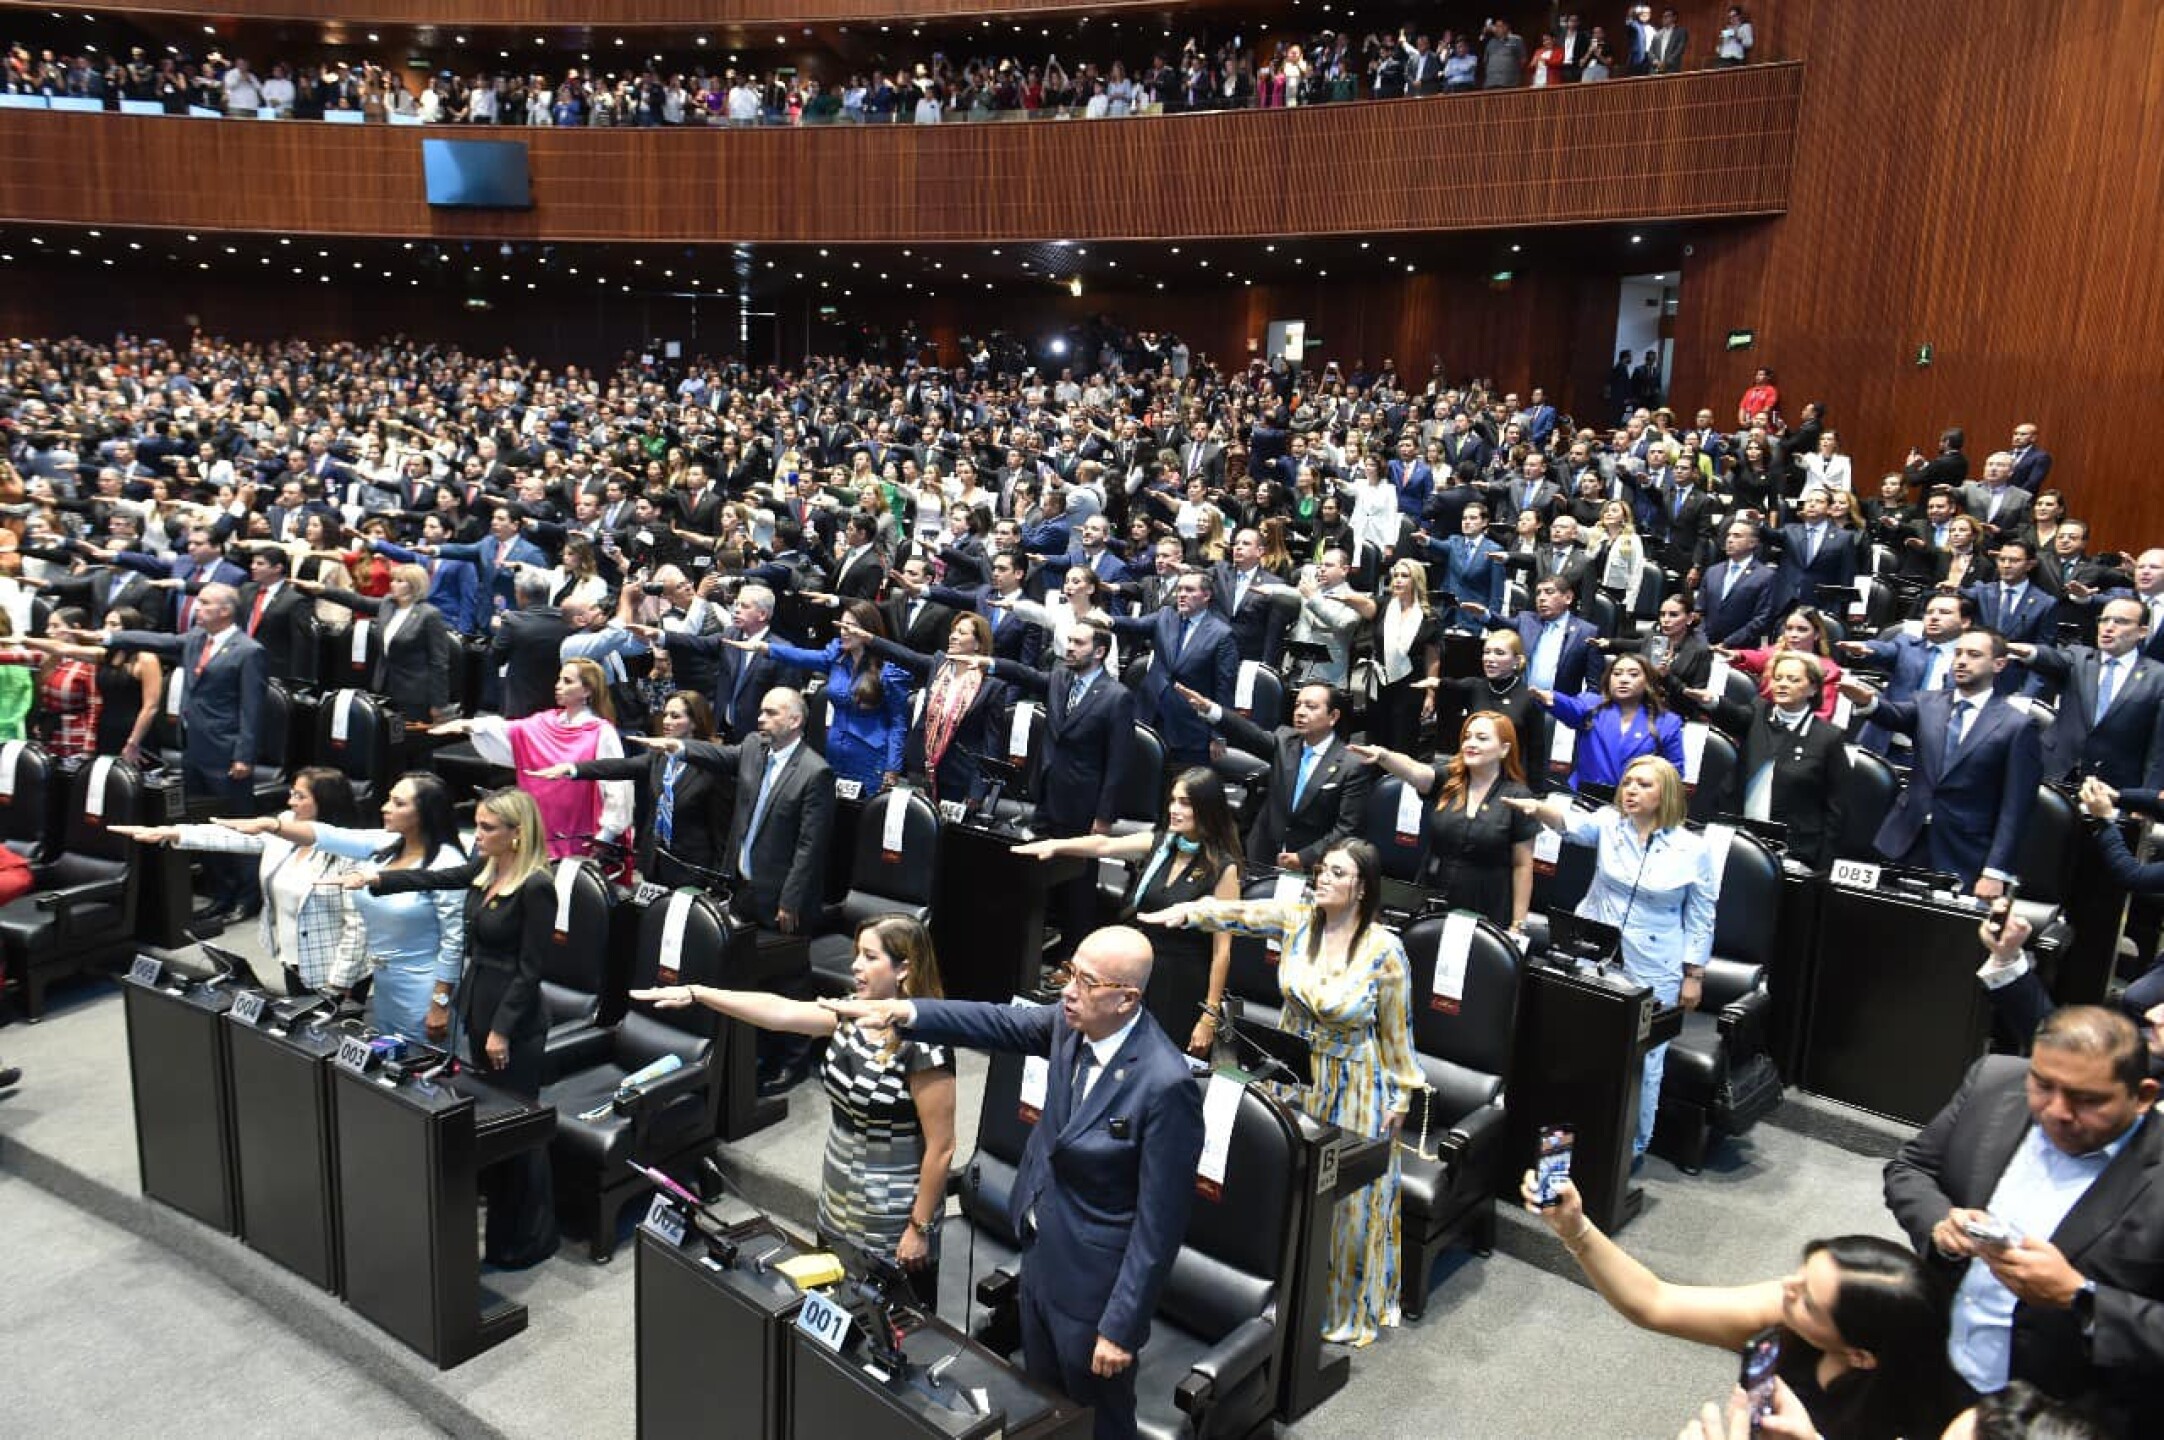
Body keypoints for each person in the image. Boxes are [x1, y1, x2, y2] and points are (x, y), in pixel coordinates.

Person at [824, 926, 1205, 1440]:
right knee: (1044, 1405)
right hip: (1040, 1256)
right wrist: (905, 1011)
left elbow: (1160, 1225)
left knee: (1098, 1419)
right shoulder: (1068, 1025)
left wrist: (1122, 1326)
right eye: (1069, 972)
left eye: (1087, 982)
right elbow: (994, 1020)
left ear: (1126, 998)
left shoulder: (1165, 1084)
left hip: (1095, 1286)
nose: (1068, 990)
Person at [1142, 840, 1422, 1345]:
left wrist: (1401, 1094)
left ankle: (1339, 1309)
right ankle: (1283, 1298)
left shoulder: (1385, 949)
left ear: (1362, 887)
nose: (1324, 878)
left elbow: (1397, 1028)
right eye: (1322, 870)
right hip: (1293, 1072)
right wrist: (1188, 912)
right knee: (1285, 1185)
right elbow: (1241, 913)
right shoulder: (1298, 920)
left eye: (1337, 873)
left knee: (1348, 1203)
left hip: (1354, 1082)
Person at [632, 915, 956, 1306]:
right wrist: (700, 993)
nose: (856, 965)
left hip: (893, 1215)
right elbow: (779, 1012)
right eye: (857, 954)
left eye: (870, 957)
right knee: (838, 1313)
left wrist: (918, 1228)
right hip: (838, 1199)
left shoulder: (926, 1042)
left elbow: (942, 1147)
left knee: (894, 1326)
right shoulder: (852, 1011)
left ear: (904, 968)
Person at [1883, 1006, 2164, 1432]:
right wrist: (1939, 1224)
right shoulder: (1994, 1082)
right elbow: (1912, 1168)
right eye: (2043, 1085)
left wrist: (2080, 1298)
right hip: (1937, 1369)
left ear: (2142, 1096)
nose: (2056, 1111)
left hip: (2059, 1416)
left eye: (2087, 1099)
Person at [1525, 1177, 1963, 1440]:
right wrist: (1576, 1230)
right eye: (1801, 1273)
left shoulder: (1927, 1423)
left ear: (1861, 1356)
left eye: (1808, 1301)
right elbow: (1655, 1302)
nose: (1786, 1288)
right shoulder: (1785, 1309)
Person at [346, 787, 558, 1269]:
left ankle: (531, 1237)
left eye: (486, 828)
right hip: (478, 1008)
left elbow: (531, 970)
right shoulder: (485, 868)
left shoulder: (536, 886)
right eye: (477, 824)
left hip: (514, 1022)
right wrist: (375, 878)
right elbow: (434, 876)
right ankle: (500, 1219)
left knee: (519, 1126)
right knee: (492, 1121)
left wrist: (501, 1030)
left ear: (517, 833)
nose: (476, 835)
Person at [1506, 757, 1715, 1154]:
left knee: (1645, 1060)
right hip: (1594, 951)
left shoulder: (1694, 849)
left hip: (1655, 961)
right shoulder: (1608, 823)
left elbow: (1702, 915)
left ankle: (1631, 1148)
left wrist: (1694, 974)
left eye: (1644, 784)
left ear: (1667, 794)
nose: (1631, 790)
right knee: (1578, 1045)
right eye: (1628, 782)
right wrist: (1536, 807)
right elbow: (1568, 824)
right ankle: (1571, 1139)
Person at [1014, 768, 1243, 1054]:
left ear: (1206, 807)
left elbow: (1222, 951)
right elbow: (1104, 844)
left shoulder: (1223, 868)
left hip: (1180, 981)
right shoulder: (1161, 844)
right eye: (1172, 801)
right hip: (1139, 972)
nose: (1174, 809)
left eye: (1184, 803)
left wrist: (1209, 1016)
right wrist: (1055, 845)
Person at [247, 772, 466, 1040]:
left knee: (422, 1058)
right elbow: (327, 835)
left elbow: (454, 941)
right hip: (384, 982)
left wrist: (440, 1002)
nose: (385, 807)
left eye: (398, 803)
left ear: (425, 813)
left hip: (424, 985)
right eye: (389, 799)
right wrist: (272, 825)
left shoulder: (447, 862)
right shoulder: (387, 844)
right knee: (387, 1054)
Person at [112, 768, 367, 997]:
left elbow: (358, 925)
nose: (291, 802)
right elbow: (232, 836)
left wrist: (342, 979)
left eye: (300, 797)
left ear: (325, 801)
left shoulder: (351, 851)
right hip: (293, 959)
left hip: (336, 967)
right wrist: (171, 833)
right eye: (292, 793)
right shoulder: (285, 825)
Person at [96, 582, 264, 924]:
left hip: (228, 751)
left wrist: (244, 755)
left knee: (235, 825)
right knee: (203, 825)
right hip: (194, 748)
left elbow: (253, 709)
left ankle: (247, 897)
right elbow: (156, 640)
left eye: (204, 603)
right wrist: (110, 637)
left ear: (225, 610)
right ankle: (221, 893)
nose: (197, 608)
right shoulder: (196, 640)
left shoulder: (249, 651)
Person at [1839, 629, 2039, 896]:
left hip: (1965, 852)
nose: (1962, 661)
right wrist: (1867, 701)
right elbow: (1894, 714)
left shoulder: (2017, 725)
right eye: (1958, 653)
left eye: (1974, 655)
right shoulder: (1927, 703)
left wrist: (1995, 870)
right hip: (1902, 841)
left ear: (1999, 664)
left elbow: (2016, 808)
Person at [655, 686, 834, 933]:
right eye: (761, 712)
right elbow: (720, 755)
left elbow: (810, 847)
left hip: (778, 900)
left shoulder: (816, 772)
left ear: (795, 721)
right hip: (739, 888)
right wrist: (678, 747)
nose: (761, 718)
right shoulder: (753, 747)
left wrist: (791, 900)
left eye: (771, 713)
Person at [1352, 712, 1538, 934]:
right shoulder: (1449, 780)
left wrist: (1517, 924)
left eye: (1482, 738)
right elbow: (1414, 770)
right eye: (1467, 737)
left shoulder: (1518, 796)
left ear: (1504, 749)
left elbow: (1522, 865)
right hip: (1435, 891)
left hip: (1487, 901)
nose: (1471, 743)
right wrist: (1384, 756)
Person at [433, 659, 634, 862]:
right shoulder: (544, 722)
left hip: (581, 830)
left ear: (587, 690)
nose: (558, 686)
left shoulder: (600, 732)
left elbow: (618, 786)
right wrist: (469, 725)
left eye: (567, 681)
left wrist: (606, 835)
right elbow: (508, 731)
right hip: (540, 824)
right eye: (559, 679)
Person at [528, 691, 730, 888]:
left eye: (675, 716)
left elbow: (722, 830)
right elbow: (619, 767)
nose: (666, 721)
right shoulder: (660, 757)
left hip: (692, 869)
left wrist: (716, 880)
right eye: (666, 714)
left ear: (695, 722)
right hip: (654, 864)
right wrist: (571, 769)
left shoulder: (712, 767)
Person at [1179, 680, 1372, 875]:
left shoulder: (1352, 765)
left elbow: (1348, 828)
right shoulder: (1284, 740)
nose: (1300, 712)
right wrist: (1210, 709)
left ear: (1333, 716)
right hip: (1262, 854)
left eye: (1311, 707)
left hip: (1313, 866)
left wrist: (1304, 857)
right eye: (1298, 705)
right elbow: (1248, 733)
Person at [1686, 651, 1851, 868]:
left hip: (1796, 850)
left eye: (1793, 679)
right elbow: (1734, 715)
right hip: (1738, 834)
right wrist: (1712, 702)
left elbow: (1836, 807)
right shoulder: (1758, 711)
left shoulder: (1828, 737)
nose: (1782, 684)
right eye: (1778, 678)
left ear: (1813, 688)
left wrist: (1823, 866)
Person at [731, 598, 910, 791]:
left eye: (850, 627)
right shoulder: (836, 658)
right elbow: (802, 656)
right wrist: (765, 647)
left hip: (870, 758)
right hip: (834, 752)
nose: (844, 632)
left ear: (868, 631)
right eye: (841, 626)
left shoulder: (889, 672)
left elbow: (898, 723)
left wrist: (893, 768)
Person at [847, 607, 1011, 805]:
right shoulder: (939, 664)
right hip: (921, 767)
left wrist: (977, 791)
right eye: (953, 631)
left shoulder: (993, 687)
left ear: (977, 644)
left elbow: (991, 744)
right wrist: (869, 639)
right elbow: (905, 655)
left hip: (958, 776)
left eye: (961, 633)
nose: (953, 636)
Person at [2007, 597, 2164, 790]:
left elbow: (2158, 750)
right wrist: (2022, 650)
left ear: (2142, 632)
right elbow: (2049, 658)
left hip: (2111, 785)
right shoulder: (2078, 657)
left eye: (2120, 621)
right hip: (2053, 771)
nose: (2108, 627)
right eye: (2104, 620)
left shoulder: (2158, 677)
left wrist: (2146, 797)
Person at [1111, 568, 1238, 769]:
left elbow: (1225, 688)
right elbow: (1134, 624)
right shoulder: (1165, 616)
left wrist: (1219, 734)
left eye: (1189, 590)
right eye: (1179, 589)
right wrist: (1108, 620)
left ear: (1206, 596)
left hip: (1189, 727)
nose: (1182, 595)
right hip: (1149, 715)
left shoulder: (1221, 634)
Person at [301, 562, 454, 722]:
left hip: (414, 693)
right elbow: (356, 600)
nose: (392, 584)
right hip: (384, 687)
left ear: (414, 585)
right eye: (393, 580)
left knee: (407, 735)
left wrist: (439, 703)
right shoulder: (388, 605)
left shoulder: (429, 615)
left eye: (399, 581)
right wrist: (322, 590)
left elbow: (439, 663)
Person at [1534, 651, 1687, 792]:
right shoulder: (1590, 704)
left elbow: (1673, 774)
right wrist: (1550, 698)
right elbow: (1571, 707)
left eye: (1633, 675)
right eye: (1617, 674)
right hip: (1586, 798)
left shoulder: (1667, 722)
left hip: (1636, 801)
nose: (1623, 680)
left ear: (1648, 681)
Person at [1368, 556, 1443, 754]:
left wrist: (1431, 694)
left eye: (1404, 576)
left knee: (1402, 742)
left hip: (1411, 686)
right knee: (1376, 740)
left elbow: (1433, 658)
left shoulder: (1430, 617)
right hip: (1381, 683)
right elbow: (1362, 605)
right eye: (1396, 575)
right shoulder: (1383, 606)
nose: (1398, 580)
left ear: (1416, 580)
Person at [1725, 606, 1848, 719]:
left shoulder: (1828, 670)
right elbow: (1756, 657)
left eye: (1802, 630)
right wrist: (1737, 655)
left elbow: (1822, 715)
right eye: (1789, 629)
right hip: (1763, 719)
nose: (1793, 635)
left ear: (1816, 635)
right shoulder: (1775, 653)